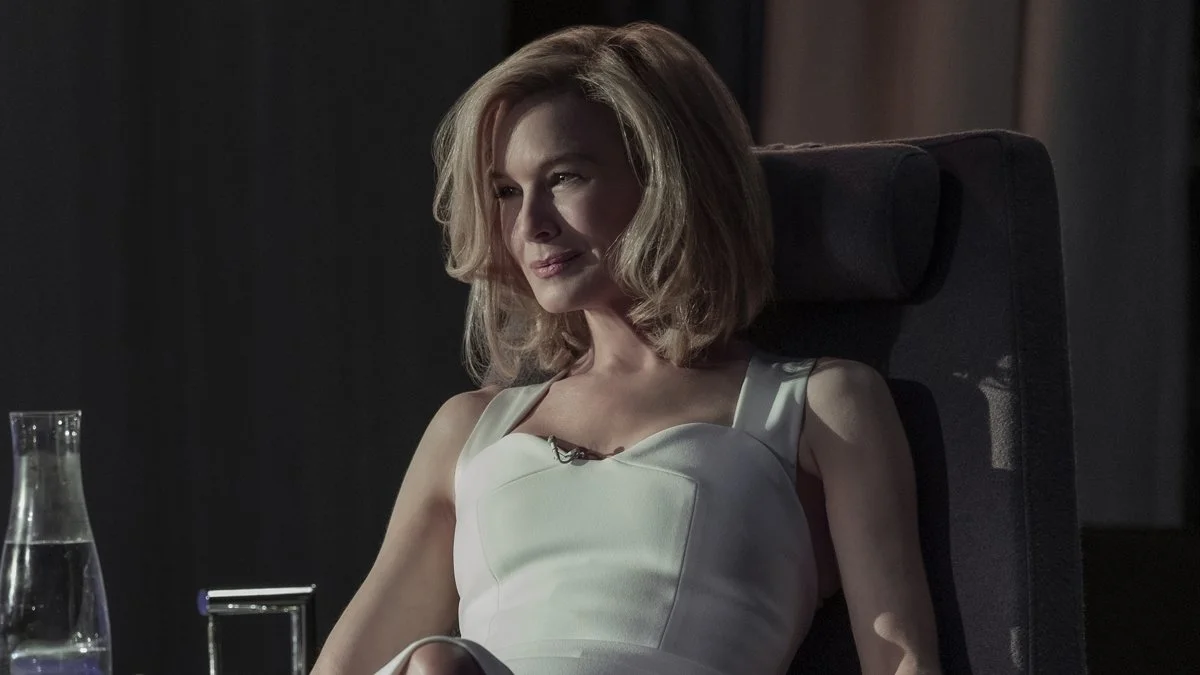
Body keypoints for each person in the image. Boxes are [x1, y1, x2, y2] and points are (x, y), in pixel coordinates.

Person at [311, 22, 941, 675]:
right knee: (434, 663)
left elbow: (904, 661)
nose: (530, 224)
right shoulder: (468, 430)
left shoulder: (822, 405)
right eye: (506, 191)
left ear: (665, 180)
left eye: (564, 177)